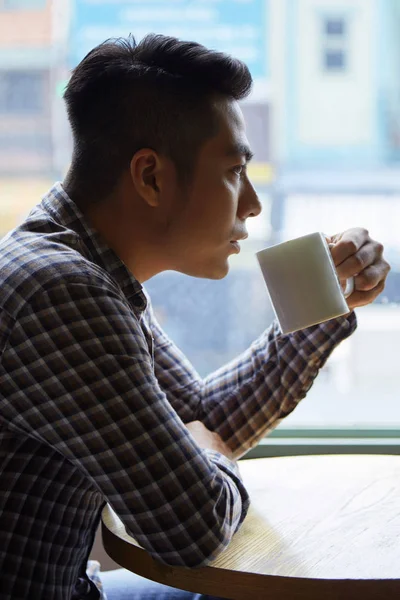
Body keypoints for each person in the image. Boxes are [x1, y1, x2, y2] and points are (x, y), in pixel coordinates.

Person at [0, 34, 390, 600]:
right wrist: (204, 454)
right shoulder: (63, 292)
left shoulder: (90, 269)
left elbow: (203, 416)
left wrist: (321, 303)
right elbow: (193, 527)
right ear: (151, 177)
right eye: (234, 170)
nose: (253, 203)